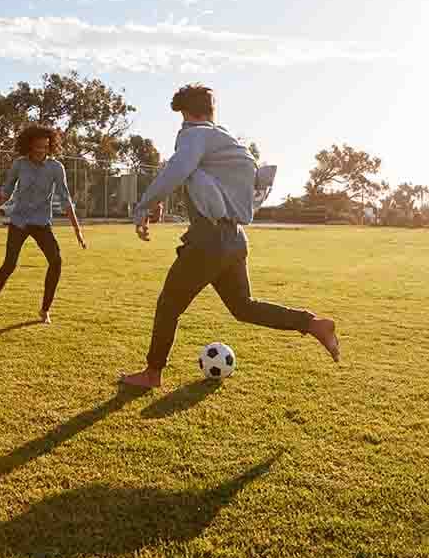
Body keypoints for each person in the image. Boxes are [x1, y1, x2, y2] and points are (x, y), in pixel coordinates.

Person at [118, 83, 339, 390]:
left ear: (187, 114)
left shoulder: (194, 134)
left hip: (208, 241)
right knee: (243, 307)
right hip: (234, 239)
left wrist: (143, 205)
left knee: (169, 305)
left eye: (182, 117)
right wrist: (160, 202)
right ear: (211, 110)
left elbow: (177, 170)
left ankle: (152, 373)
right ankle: (313, 324)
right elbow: (199, 182)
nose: (181, 125)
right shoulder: (229, 142)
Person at [0, 124, 86, 328]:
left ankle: (45, 310)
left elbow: (66, 199)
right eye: (37, 147)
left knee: (56, 261)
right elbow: (5, 195)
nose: (41, 151)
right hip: (19, 222)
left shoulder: (56, 168)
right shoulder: (19, 165)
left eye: (46, 147)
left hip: (42, 223)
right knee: (9, 265)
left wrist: (78, 231)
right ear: (29, 146)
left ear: (50, 146)